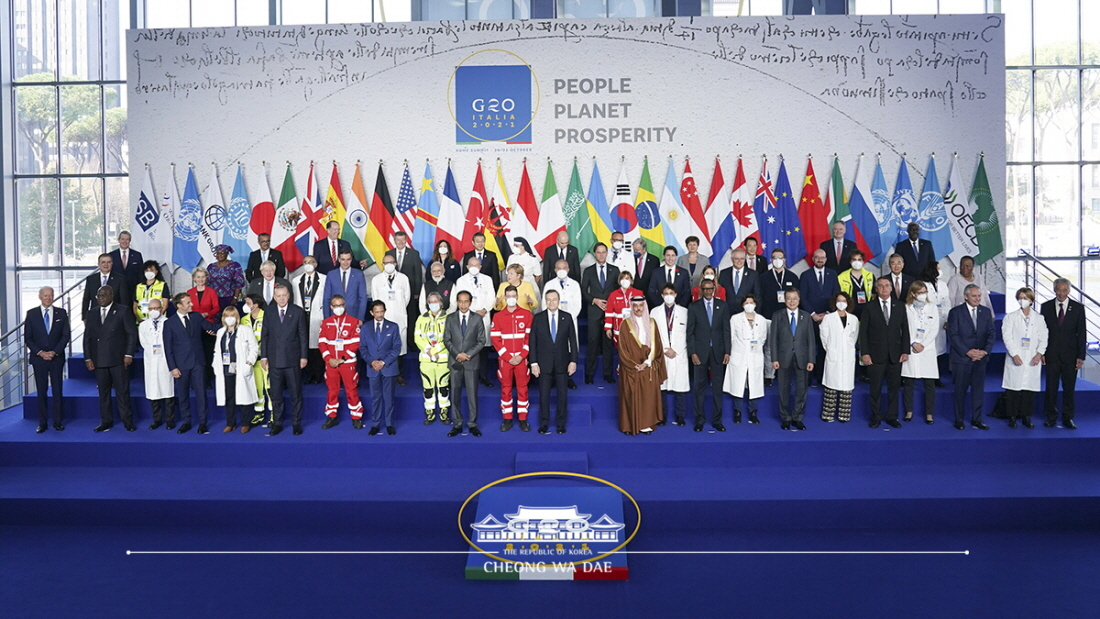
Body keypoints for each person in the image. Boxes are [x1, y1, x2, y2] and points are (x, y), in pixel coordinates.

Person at [83, 286, 137, 432]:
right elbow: (87, 337)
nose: (101, 297)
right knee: (103, 393)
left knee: (122, 392)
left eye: (104, 295)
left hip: (118, 359)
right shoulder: (92, 313)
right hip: (99, 360)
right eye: (99, 295)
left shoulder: (123, 310)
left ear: (112, 295)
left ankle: (127, 420)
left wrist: (128, 354)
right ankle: (106, 421)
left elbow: (131, 333)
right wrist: (88, 357)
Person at [164, 292, 217, 434]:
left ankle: (203, 422)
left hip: (198, 362)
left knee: (201, 394)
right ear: (179, 305)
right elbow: (167, 348)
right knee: (183, 395)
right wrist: (173, 367)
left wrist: (230, 327)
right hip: (181, 365)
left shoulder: (196, 317)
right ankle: (186, 421)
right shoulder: (169, 323)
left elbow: (210, 327)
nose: (192, 304)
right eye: (188, 303)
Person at [860, 277, 910, 429]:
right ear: (876, 289)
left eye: (886, 286)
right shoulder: (869, 307)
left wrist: (905, 350)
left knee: (894, 388)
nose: (883, 288)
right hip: (875, 355)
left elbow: (905, 330)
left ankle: (892, 417)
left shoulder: (900, 306)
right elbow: (863, 332)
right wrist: (865, 353)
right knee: (875, 388)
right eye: (880, 286)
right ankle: (875, 417)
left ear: (891, 288)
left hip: (895, 354)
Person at [259, 285, 308, 436]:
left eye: (284, 295)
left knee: (295, 394)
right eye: (278, 296)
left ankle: (296, 423)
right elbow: (265, 335)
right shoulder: (269, 311)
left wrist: (304, 356)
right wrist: (264, 356)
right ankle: (277, 423)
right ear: (274, 297)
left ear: (289, 296)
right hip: (274, 359)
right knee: (276, 394)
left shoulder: (298, 311)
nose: (281, 298)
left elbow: (303, 336)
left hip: (293, 359)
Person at [529, 289, 579, 434]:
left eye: (554, 299)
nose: (551, 302)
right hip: (543, 363)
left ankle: (561, 423)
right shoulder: (538, 318)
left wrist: (573, 361)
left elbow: (573, 341)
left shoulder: (567, 317)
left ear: (559, 300)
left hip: (563, 362)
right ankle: (544, 423)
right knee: (544, 395)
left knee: (562, 395)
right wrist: (533, 363)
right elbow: (532, 342)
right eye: (549, 300)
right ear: (545, 301)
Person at [947, 284, 995, 430]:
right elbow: (953, 335)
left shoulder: (986, 312)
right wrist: (968, 352)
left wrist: (984, 352)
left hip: (980, 359)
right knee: (960, 391)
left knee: (978, 392)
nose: (977, 298)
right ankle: (959, 420)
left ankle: (977, 419)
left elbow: (991, 334)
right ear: (966, 296)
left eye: (979, 296)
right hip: (962, 359)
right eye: (974, 296)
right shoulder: (955, 312)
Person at [618, 297, 667, 435]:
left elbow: (657, 345)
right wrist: (634, 365)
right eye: (635, 306)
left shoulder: (652, 323)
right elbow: (622, 349)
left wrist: (646, 363)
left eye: (641, 306)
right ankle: (629, 425)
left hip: (648, 367)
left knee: (647, 397)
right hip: (631, 369)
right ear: (631, 308)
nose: (638, 309)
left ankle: (645, 424)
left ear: (645, 307)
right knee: (630, 396)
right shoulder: (625, 324)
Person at [1040, 278, 1085, 429]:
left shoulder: (1078, 308)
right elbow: (1042, 332)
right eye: (1059, 290)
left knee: (1069, 389)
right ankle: (1051, 417)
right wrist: (1042, 352)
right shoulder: (1045, 307)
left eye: (1065, 290)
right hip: (1051, 355)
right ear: (1054, 290)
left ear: (1069, 291)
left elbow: (1082, 333)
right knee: (1050, 388)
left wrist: (1081, 356)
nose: (1061, 293)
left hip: (1070, 356)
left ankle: (1068, 417)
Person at [687, 278, 731, 432]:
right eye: (705, 289)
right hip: (700, 353)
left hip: (718, 352)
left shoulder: (723, 305)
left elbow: (726, 330)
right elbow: (690, 332)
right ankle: (699, 420)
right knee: (699, 388)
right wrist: (692, 352)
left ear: (714, 289)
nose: (707, 291)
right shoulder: (694, 307)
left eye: (710, 288)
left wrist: (727, 351)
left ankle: (717, 421)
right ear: (701, 290)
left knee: (717, 388)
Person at [24, 286, 70, 432]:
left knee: (57, 391)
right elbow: (28, 338)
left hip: (56, 359)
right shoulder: (31, 314)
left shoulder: (61, 313)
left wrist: (54, 352)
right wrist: (41, 353)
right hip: (39, 359)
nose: (48, 298)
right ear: (40, 297)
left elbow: (65, 336)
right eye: (45, 296)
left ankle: (57, 421)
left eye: (50, 295)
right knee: (41, 391)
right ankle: (42, 422)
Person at [1003, 287, 1048, 429]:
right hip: (1016, 357)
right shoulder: (1010, 317)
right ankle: (1012, 416)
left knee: (1029, 390)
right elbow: (1007, 337)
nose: (1023, 300)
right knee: (1013, 389)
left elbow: (1044, 337)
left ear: (1032, 301)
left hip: (1032, 358)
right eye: (1020, 297)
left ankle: (1026, 416)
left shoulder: (1039, 318)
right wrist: (1014, 354)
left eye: (1026, 298)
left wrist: (1039, 353)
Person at [770, 289, 815, 430]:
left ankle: (797, 417)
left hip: (802, 358)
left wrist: (811, 360)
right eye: (789, 298)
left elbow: (811, 340)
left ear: (799, 300)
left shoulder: (806, 316)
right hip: (783, 358)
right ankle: (785, 417)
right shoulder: (778, 316)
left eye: (795, 298)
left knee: (801, 389)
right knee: (783, 388)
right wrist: (774, 358)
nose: (792, 301)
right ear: (784, 300)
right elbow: (773, 339)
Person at [445, 290, 488, 437]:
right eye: (460, 301)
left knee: (472, 394)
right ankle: (457, 424)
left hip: (471, 362)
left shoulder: (477, 318)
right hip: (455, 361)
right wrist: (458, 354)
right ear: (457, 302)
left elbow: (482, 340)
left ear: (470, 303)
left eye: (466, 301)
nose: (463, 304)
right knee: (455, 393)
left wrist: (467, 354)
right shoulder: (450, 318)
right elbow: (447, 340)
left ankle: (472, 424)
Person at [491, 286, 533, 432]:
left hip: (522, 360)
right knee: (506, 389)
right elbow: (495, 339)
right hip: (505, 360)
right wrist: (508, 357)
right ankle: (507, 419)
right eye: (508, 295)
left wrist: (521, 355)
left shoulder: (527, 315)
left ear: (517, 296)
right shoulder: (497, 316)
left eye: (513, 295)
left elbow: (530, 338)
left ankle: (523, 419)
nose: (510, 298)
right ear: (504, 297)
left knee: (523, 389)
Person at [319, 294, 364, 429]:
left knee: (351, 390)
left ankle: (356, 417)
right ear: (331, 307)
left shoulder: (353, 321)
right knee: (332, 390)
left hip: (347, 363)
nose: (339, 308)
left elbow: (356, 343)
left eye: (341, 305)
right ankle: (332, 416)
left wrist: (342, 359)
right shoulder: (326, 323)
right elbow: (322, 343)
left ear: (345, 306)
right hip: (331, 363)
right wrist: (329, 359)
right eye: (336, 305)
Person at [723, 294, 769, 424]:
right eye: (746, 302)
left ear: (755, 304)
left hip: (755, 356)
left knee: (754, 384)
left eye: (751, 302)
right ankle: (737, 412)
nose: (749, 304)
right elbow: (730, 337)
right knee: (738, 384)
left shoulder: (761, 319)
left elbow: (763, 338)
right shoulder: (735, 319)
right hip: (739, 355)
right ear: (742, 304)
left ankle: (753, 412)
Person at [212, 306, 258, 433]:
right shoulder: (221, 332)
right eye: (227, 316)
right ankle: (230, 423)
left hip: (241, 368)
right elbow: (217, 350)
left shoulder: (245, 330)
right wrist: (215, 365)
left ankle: (245, 423)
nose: (229, 319)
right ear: (223, 318)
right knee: (229, 396)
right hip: (226, 369)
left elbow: (254, 348)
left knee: (243, 396)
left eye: (232, 316)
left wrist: (249, 363)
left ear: (237, 317)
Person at [452, 255, 496, 388]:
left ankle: (483, 376)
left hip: (484, 316)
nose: (474, 268)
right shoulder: (461, 281)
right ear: (466, 267)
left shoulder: (487, 279)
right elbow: (460, 299)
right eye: (471, 265)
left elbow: (492, 297)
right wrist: (471, 312)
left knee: (483, 348)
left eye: (477, 265)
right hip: (468, 317)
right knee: (468, 346)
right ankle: (465, 376)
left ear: (480, 267)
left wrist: (484, 310)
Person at [581, 243, 620, 385]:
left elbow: (618, 291)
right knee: (592, 343)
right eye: (599, 252)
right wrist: (594, 300)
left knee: (608, 344)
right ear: (595, 254)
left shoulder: (615, 270)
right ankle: (589, 374)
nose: (601, 254)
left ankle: (608, 374)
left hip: (611, 312)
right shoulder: (588, 271)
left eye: (604, 252)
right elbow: (584, 290)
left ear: (607, 253)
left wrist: (612, 305)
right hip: (594, 311)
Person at [799, 248, 840, 383]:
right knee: (809, 347)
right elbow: (802, 297)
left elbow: (836, 296)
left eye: (822, 257)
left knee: (825, 348)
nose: (820, 260)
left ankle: (822, 376)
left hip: (828, 318)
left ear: (826, 259)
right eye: (817, 257)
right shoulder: (805, 275)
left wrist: (827, 314)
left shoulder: (833, 274)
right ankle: (809, 378)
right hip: (810, 318)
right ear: (813, 259)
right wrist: (813, 314)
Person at [901, 281, 939, 424]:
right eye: (920, 293)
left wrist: (922, 344)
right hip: (911, 347)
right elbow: (904, 328)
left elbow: (934, 328)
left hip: (927, 349)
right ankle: (908, 411)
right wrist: (912, 343)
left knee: (929, 383)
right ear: (913, 294)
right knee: (909, 382)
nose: (923, 295)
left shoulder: (932, 308)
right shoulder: (906, 308)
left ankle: (929, 414)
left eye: (924, 292)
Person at [371, 254, 412, 386]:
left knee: (399, 348)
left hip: (399, 316)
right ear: (382, 264)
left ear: (395, 264)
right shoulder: (376, 279)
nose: (389, 264)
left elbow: (407, 297)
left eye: (391, 262)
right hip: (383, 318)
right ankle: (384, 373)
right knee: (384, 346)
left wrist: (397, 308)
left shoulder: (403, 278)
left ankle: (399, 375)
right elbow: (375, 299)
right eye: (386, 262)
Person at [361, 300, 400, 435]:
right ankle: (375, 424)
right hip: (372, 369)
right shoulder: (365, 328)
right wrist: (372, 362)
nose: (379, 314)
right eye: (377, 312)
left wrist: (383, 362)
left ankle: (389, 424)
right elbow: (363, 348)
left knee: (389, 397)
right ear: (371, 313)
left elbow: (396, 348)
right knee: (375, 398)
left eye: (381, 311)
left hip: (388, 368)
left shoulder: (393, 327)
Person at [819, 292, 858, 423]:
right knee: (831, 385)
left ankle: (844, 415)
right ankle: (828, 414)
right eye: (839, 300)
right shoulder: (828, 318)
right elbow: (824, 337)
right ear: (835, 303)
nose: (841, 303)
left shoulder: (853, 319)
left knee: (846, 386)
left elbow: (854, 337)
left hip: (847, 355)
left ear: (848, 303)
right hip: (833, 354)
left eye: (844, 300)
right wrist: (831, 349)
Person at [654, 284, 689, 425]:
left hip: (679, 353)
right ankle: (661, 416)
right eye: (666, 293)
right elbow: (653, 334)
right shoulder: (654, 312)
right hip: (662, 353)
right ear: (662, 295)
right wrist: (665, 349)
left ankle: (680, 416)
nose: (668, 295)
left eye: (671, 293)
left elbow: (688, 333)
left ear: (675, 294)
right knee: (661, 387)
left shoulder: (685, 312)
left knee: (680, 388)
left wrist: (676, 349)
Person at [137, 297, 175, 430]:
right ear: (148, 310)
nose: (154, 311)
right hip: (151, 361)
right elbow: (143, 342)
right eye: (151, 309)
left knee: (168, 390)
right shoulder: (143, 325)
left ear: (162, 309)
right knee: (153, 391)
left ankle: (170, 420)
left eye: (157, 308)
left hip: (165, 360)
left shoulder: (168, 322)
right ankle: (157, 419)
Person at [414, 291, 451, 425]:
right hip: (426, 359)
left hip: (443, 360)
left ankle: (444, 412)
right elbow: (417, 337)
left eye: (436, 302)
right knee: (428, 389)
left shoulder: (449, 318)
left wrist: (436, 350)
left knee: (443, 387)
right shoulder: (421, 318)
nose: (433, 304)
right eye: (431, 302)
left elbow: (449, 339)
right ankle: (429, 413)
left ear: (441, 303)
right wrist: (429, 350)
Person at [292, 255, 326, 384]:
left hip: (317, 316)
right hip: (302, 316)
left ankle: (316, 374)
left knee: (315, 346)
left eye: (311, 262)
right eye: (306, 262)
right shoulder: (296, 280)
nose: (308, 264)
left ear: (316, 264)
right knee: (303, 344)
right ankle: (306, 374)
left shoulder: (324, 279)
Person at [187, 267, 221, 389]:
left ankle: (206, 380)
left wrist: (207, 314)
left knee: (207, 354)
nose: (200, 279)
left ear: (206, 278)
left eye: (203, 277)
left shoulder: (212, 292)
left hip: (208, 326)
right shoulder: (189, 292)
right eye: (198, 277)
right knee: (194, 354)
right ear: (194, 278)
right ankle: (195, 381)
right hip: (194, 327)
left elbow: (217, 308)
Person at [239, 295, 269, 432]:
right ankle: (259, 414)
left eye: (248, 302)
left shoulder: (267, 316)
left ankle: (274, 414)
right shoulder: (244, 319)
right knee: (257, 389)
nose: (245, 304)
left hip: (266, 359)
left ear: (255, 305)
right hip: (252, 360)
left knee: (270, 388)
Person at [919, 260, 950, 384]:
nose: (940, 271)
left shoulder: (942, 284)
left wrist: (947, 318)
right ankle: (927, 376)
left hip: (941, 320)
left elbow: (947, 301)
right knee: (928, 348)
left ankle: (937, 377)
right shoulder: (922, 284)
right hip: (927, 321)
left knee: (940, 349)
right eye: (938, 268)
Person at [323, 250, 368, 321]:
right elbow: (326, 298)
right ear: (339, 260)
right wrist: (326, 318)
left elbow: (363, 298)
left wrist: (360, 318)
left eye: (348, 259)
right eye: (343, 259)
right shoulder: (331, 275)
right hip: (334, 315)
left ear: (351, 260)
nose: (345, 262)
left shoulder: (358, 274)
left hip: (353, 315)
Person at [758, 248, 799, 319]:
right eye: (775, 258)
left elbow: (797, 296)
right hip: (769, 314)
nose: (778, 260)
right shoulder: (763, 277)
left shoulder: (793, 277)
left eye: (780, 258)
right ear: (771, 260)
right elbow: (759, 297)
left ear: (784, 260)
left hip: (788, 314)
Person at [604, 271, 643, 345]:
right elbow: (609, 312)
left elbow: (643, 311)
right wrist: (608, 328)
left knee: (635, 351)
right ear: (619, 281)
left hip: (635, 327)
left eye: (627, 278)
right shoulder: (613, 295)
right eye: (622, 278)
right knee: (622, 352)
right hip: (619, 328)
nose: (625, 281)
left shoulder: (639, 293)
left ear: (631, 280)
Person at [206, 244, 247, 310]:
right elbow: (207, 283)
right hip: (213, 298)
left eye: (222, 253)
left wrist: (235, 298)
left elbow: (239, 283)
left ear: (227, 254)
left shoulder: (234, 265)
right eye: (218, 253)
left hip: (229, 298)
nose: (220, 255)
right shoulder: (211, 267)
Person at [719, 248, 759, 313]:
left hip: (747, 313)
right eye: (736, 259)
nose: (739, 261)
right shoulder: (724, 273)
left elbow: (757, 296)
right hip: (727, 312)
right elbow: (720, 293)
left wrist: (756, 314)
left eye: (742, 258)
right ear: (731, 259)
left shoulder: (753, 274)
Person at [837, 249, 875, 318]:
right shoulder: (841, 277)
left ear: (863, 261)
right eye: (854, 259)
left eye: (859, 259)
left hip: (868, 311)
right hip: (850, 311)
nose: (857, 262)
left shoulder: (870, 275)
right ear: (850, 261)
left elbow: (874, 294)